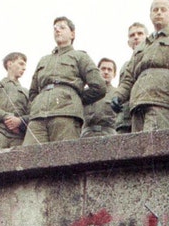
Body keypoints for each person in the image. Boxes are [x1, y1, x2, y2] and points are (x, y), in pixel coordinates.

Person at [22, 17, 108, 146]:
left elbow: (99, 87)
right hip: (38, 116)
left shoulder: (80, 57)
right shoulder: (44, 60)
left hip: (66, 114)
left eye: (62, 27)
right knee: (29, 158)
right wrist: (39, 104)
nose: (57, 30)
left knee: (63, 158)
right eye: (55, 28)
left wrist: (74, 99)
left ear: (72, 34)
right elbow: (33, 92)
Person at [116, 0, 169, 133]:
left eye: (163, 10)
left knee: (155, 148)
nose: (159, 13)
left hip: (162, 100)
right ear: (150, 15)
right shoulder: (142, 45)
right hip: (137, 103)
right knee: (138, 149)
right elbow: (129, 77)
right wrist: (118, 96)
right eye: (155, 10)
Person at [80, 58, 122, 138]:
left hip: (109, 135)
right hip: (87, 134)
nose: (106, 72)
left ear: (114, 74)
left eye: (109, 70)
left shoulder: (118, 94)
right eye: (103, 69)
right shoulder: (87, 93)